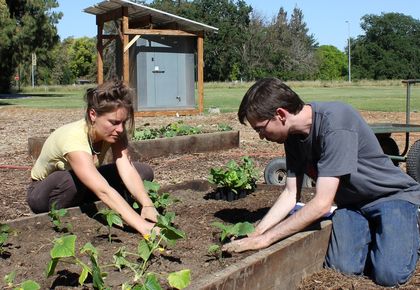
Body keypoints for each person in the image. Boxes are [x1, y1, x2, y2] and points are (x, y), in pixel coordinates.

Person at [222, 77, 420, 287]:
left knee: (389, 275)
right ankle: (380, 233)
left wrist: (266, 240)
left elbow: (322, 204)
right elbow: (290, 194)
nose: (261, 136)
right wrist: (257, 232)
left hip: (390, 197)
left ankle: (411, 224)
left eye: (260, 128)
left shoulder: (335, 122)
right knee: (343, 269)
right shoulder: (293, 138)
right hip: (352, 206)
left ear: (280, 114)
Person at [27, 80, 158, 237]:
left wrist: (147, 204)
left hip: (84, 186)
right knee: (70, 182)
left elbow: (128, 170)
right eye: (114, 122)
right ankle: (64, 216)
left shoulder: (116, 132)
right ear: (93, 114)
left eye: (124, 122)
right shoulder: (74, 137)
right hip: (44, 193)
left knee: (143, 172)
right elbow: (103, 190)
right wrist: (142, 226)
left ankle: (92, 205)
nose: (120, 129)